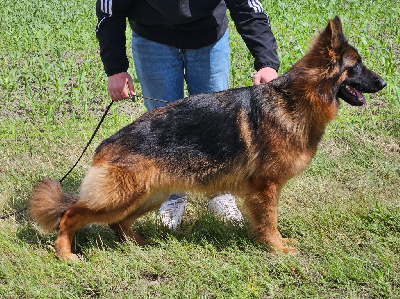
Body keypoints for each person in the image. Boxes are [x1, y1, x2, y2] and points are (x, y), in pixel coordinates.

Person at [95, 0, 280, 229]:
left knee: (217, 126)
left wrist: (266, 61)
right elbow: (109, 8)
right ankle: (171, 194)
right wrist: (115, 68)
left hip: (208, 37)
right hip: (153, 39)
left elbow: (246, 5)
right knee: (162, 128)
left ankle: (219, 193)